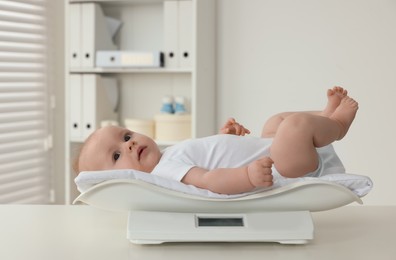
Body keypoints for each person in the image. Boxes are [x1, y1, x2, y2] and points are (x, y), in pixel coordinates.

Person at [74, 86, 358, 195]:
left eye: (126, 136)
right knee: (293, 126)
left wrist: (228, 140)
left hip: (272, 149)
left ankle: (322, 117)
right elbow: (209, 179)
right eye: (116, 155)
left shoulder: (168, 156)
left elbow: (209, 157)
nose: (130, 144)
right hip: (283, 166)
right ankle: (336, 125)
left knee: (275, 123)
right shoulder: (165, 172)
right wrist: (247, 175)